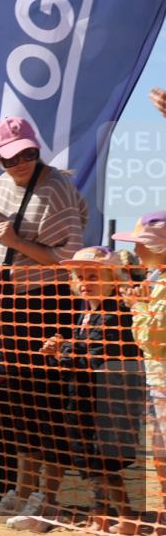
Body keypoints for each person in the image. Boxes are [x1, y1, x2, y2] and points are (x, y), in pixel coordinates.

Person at [0, 116, 87, 530]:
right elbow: (1, 245)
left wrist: (16, 242)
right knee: (22, 402)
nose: (21, 161)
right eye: (11, 156)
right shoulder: (1, 186)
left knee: (48, 400)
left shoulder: (57, 188)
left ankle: (49, 501)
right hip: (14, 300)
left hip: (51, 301)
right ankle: (22, 492)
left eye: (29, 153)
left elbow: (70, 258)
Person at [40, 247, 142, 534]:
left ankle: (126, 520)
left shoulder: (115, 313)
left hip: (108, 401)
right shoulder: (90, 313)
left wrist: (63, 351)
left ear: (112, 278)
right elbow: (83, 353)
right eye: (80, 276)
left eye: (93, 276)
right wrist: (61, 351)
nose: (85, 282)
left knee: (105, 462)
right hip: (86, 396)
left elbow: (98, 357)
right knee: (90, 462)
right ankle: (101, 518)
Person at [113, 211, 166, 534]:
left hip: (160, 376)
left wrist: (137, 307)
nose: (138, 252)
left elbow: (154, 338)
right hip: (156, 379)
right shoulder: (154, 279)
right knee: (159, 453)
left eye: (142, 246)